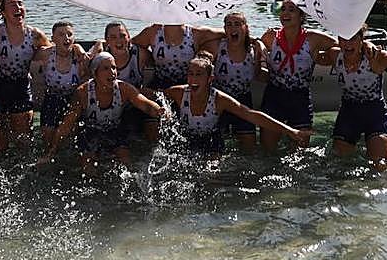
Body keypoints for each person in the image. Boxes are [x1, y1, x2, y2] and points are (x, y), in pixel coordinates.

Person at [163, 52, 309, 158]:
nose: (193, 79)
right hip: (187, 137)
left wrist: (290, 130)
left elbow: (251, 115)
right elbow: (156, 95)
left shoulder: (220, 99)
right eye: (190, 74)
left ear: (210, 79)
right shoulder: (178, 92)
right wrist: (161, 109)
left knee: (212, 174)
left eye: (199, 74)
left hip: (212, 139)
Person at [45, 52, 163, 175]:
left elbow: (145, 103)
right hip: (89, 131)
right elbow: (67, 125)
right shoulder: (83, 92)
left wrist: (159, 110)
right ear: (95, 73)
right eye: (106, 68)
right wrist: (52, 151)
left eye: (113, 67)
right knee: (88, 166)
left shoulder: (124, 89)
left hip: (114, 130)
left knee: (127, 163)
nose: (112, 72)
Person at [320, 27, 387, 171]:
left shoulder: (375, 57)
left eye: (353, 39)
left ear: (361, 40)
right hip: (349, 112)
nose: (348, 44)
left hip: (375, 113)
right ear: (338, 41)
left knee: (381, 165)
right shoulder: (335, 55)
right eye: (344, 39)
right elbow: (314, 51)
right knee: (337, 164)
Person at [258, 0, 336, 152]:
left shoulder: (314, 38)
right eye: (283, 9)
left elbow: (343, 46)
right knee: (267, 153)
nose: (285, 13)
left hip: (300, 99)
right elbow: (255, 48)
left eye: (291, 10)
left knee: (300, 155)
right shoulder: (270, 37)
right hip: (274, 97)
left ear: (302, 16)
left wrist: (325, 58)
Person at [0, 0, 51, 153]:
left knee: (24, 144)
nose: (18, 7)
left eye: (20, 4)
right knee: (0, 145)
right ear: (3, 13)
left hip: (21, 88)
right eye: (12, 5)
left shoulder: (35, 35)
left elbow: (52, 51)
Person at [201, 12, 266, 153]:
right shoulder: (216, 46)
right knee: (213, 149)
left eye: (237, 24)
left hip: (243, 100)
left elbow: (260, 76)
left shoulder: (254, 50)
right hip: (219, 101)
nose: (233, 28)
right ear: (224, 29)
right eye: (229, 25)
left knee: (250, 148)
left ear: (246, 28)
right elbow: (199, 67)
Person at [89, 21, 156, 142]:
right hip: (110, 104)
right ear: (107, 40)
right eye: (113, 37)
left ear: (129, 37)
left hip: (135, 100)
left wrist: (148, 89)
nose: (119, 41)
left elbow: (156, 72)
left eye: (122, 36)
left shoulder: (140, 55)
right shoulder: (100, 57)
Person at [34, 21, 86, 152]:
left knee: (71, 141)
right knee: (47, 140)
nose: (66, 38)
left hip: (73, 100)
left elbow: (100, 44)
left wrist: (79, 47)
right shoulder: (46, 54)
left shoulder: (80, 57)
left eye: (69, 34)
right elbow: (29, 54)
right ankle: (49, 155)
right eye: (61, 35)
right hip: (52, 98)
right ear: (53, 39)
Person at [130, 22, 225, 90]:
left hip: (188, 84)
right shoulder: (153, 32)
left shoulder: (195, 33)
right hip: (160, 82)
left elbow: (225, 32)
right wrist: (148, 58)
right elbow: (130, 44)